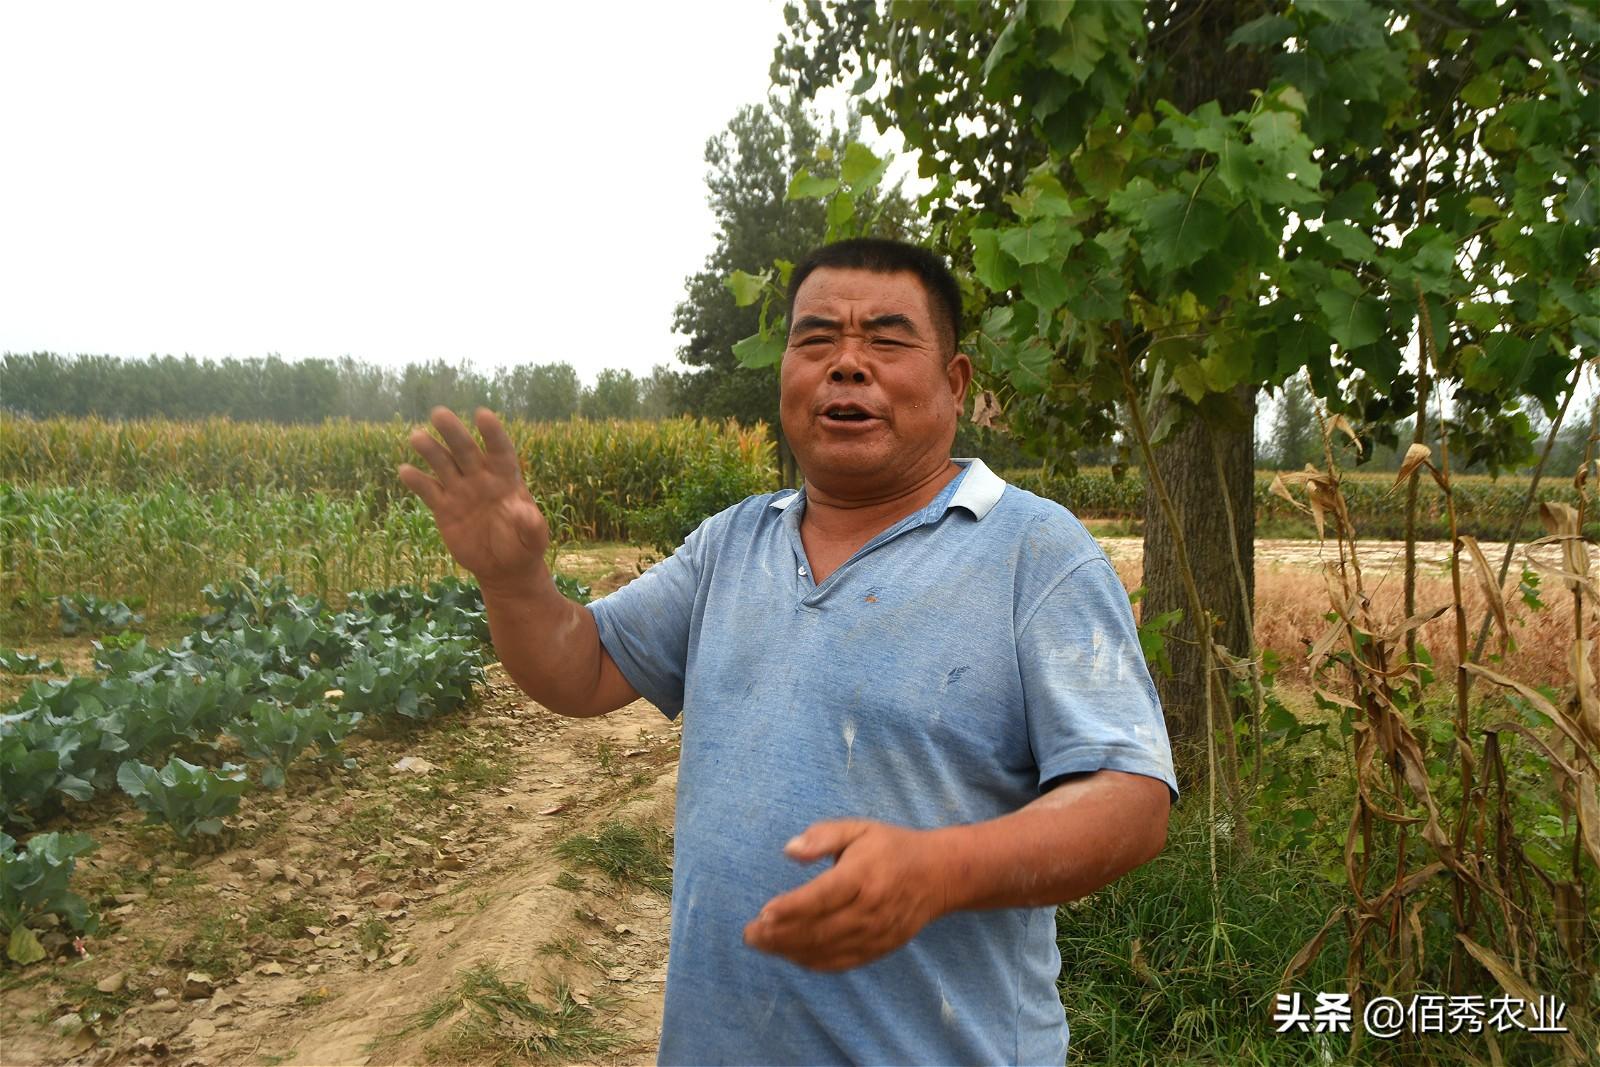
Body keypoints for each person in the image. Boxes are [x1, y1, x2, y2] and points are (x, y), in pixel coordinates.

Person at [398, 237, 1176, 1065]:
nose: (847, 364)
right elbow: (581, 666)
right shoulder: (730, 543)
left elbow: (1130, 796)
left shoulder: (1034, 552)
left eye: (886, 339)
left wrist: (939, 868)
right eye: (816, 341)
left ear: (955, 383)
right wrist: (515, 581)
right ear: (786, 380)